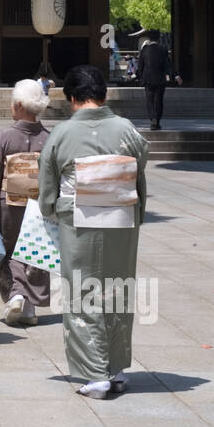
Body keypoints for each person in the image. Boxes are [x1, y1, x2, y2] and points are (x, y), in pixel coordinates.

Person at [38, 65, 148, 398]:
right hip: (121, 216)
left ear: (72, 98)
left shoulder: (62, 133)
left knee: (83, 290)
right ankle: (114, 368)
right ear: (103, 95)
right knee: (118, 288)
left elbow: (47, 183)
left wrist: (48, 209)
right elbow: (138, 171)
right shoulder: (126, 129)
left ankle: (94, 372)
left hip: (79, 218)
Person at [0, 79, 51, 326]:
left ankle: (16, 296)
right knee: (36, 251)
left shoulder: (6, 137)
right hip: (39, 204)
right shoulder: (47, 138)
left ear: (19, 106)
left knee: (10, 251)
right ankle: (30, 308)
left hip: (9, 202)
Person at [137, 30, 179, 130]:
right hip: (160, 78)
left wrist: (140, 76)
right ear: (158, 38)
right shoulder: (163, 49)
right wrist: (176, 75)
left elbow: (140, 66)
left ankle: (153, 119)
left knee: (149, 100)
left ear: (149, 39)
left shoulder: (144, 50)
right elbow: (168, 64)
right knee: (159, 101)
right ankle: (157, 121)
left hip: (148, 78)